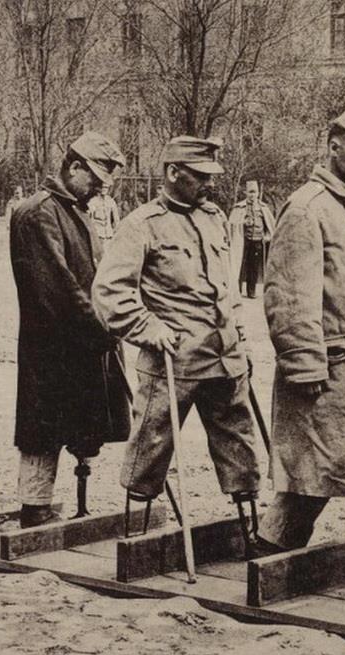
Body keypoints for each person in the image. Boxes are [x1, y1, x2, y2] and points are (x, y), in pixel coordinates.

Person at [253, 108, 345, 588]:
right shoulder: (307, 208)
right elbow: (288, 297)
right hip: (325, 374)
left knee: (340, 471)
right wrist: (303, 364)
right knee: (312, 475)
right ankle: (266, 565)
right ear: (333, 148)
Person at [92, 135, 266, 525]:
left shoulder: (215, 218)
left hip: (224, 357)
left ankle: (249, 530)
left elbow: (226, 286)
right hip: (174, 361)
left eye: (211, 175)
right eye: (201, 176)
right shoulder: (142, 225)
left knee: (240, 450)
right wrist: (147, 326)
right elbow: (109, 292)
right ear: (173, 173)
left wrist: (240, 332)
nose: (210, 183)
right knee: (150, 449)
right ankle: (137, 530)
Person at [9, 132, 131, 528]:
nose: (99, 188)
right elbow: (59, 288)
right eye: (94, 178)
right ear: (74, 166)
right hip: (51, 346)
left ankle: (67, 507)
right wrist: (100, 330)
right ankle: (34, 508)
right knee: (42, 431)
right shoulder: (38, 213)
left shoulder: (75, 209)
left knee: (80, 425)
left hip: (81, 343)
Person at [228, 180, 275, 298]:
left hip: (258, 240)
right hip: (243, 240)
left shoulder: (263, 208)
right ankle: (237, 291)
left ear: (258, 193)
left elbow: (270, 224)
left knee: (254, 266)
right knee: (240, 264)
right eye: (250, 192)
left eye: (254, 192)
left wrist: (267, 236)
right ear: (246, 193)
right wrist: (243, 222)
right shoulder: (240, 207)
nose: (252, 195)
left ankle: (251, 291)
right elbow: (232, 223)